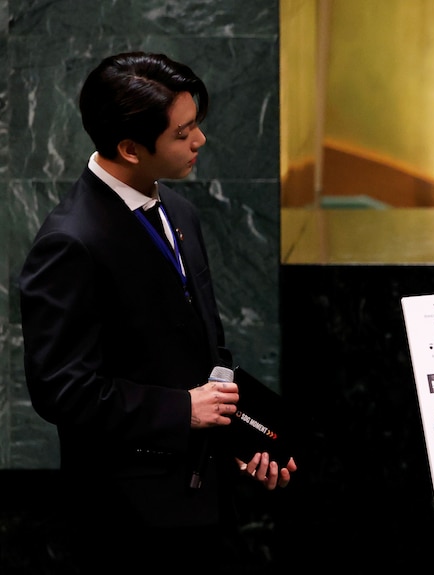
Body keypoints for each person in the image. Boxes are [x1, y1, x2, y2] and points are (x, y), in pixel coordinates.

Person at [18, 52, 297, 573]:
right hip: (128, 521)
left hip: (205, 500)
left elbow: (200, 347)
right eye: (183, 132)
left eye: (198, 125)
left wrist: (242, 441)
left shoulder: (179, 210)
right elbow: (60, 389)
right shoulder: (69, 243)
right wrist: (182, 411)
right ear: (129, 148)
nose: (200, 141)